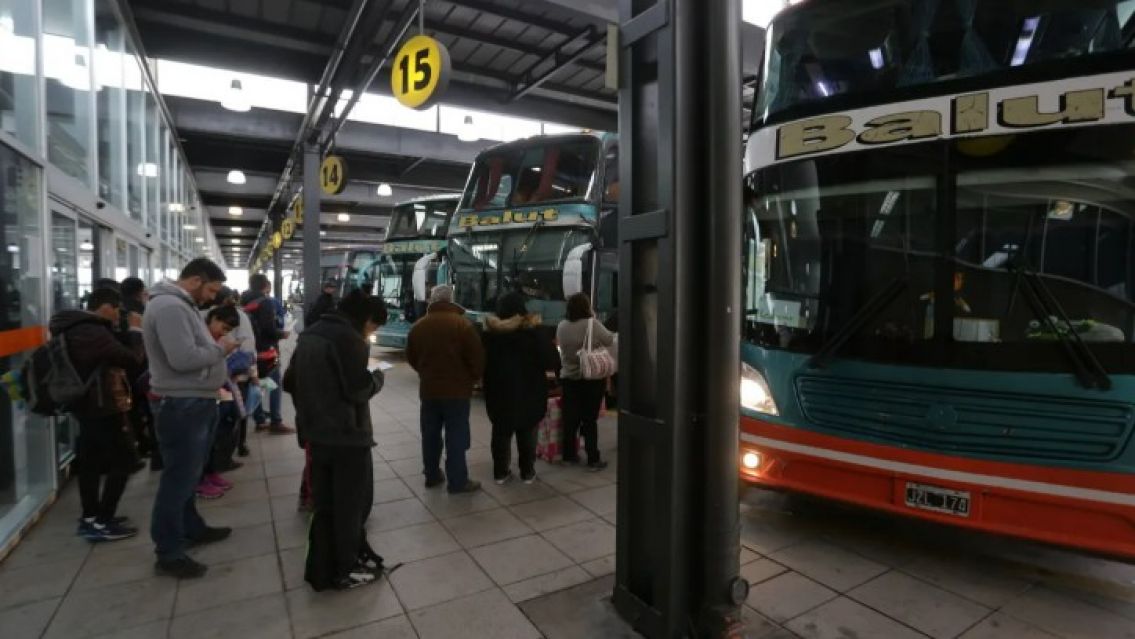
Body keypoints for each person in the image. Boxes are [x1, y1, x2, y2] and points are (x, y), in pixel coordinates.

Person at [285, 290, 388, 590]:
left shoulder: (311, 333)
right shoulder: (349, 339)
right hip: (346, 437)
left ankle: (320, 569)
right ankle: (346, 568)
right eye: (374, 326)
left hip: (316, 432)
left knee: (326, 506)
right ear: (366, 319)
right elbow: (357, 390)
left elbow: (290, 380)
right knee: (349, 507)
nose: (372, 333)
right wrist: (377, 378)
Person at [144, 258, 238, 579]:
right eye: (211, 289)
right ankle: (168, 551)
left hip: (193, 401)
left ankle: (191, 527)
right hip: (181, 404)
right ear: (196, 280)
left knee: (188, 475)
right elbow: (183, 358)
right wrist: (221, 350)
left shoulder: (178, 304)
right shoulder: (171, 307)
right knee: (178, 479)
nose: (212, 298)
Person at [51, 288, 145, 542]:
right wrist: (136, 330)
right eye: (116, 309)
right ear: (104, 306)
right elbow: (133, 360)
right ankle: (102, 522)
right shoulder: (91, 332)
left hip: (87, 405)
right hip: (103, 405)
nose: (117, 315)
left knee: (90, 462)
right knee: (125, 460)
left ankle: (91, 516)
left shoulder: (75, 328)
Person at [406, 285, 484, 494]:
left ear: (432, 300)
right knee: (456, 436)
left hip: (429, 390)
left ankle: (432, 475)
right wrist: (472, 378)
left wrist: (426, 373)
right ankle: (458, 482)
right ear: (451, 300)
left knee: (430, 434)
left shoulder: (418, 326)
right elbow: (476, 358)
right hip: (457, 391)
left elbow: (412, 358)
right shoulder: (463, 325)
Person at [482, 292, 559, 484]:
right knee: (527, 430)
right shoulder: (535, 333)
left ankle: (501, 473)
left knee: (500, 431)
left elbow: (480, 362)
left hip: (498, 391)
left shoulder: (490, 335)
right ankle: (527, 472)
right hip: (530, 390)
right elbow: (551, 361)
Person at [556, 293, 614, 471]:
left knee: (570, 418)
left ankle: (568, 455)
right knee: (589, 419)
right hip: (591, 379)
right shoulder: (592, 324)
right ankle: (593, 459)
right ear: (586, 307)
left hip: (569, 378)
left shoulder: (562, 326)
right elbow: (609, 339)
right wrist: (593, 320)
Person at [195, 305, 247, 500]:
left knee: (212, 438)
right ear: (213, 318)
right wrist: (222, 351)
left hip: (217, 392)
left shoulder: (216, 339)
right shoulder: (199, 338)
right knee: (200, 442)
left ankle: (210, 473)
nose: (224, 333)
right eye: (223, 328)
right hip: (200, 395)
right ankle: (199, 481)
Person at [242, 274, 292, 434]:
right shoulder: (266, 303)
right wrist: (282, 334)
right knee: (274, 385)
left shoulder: (245, 301)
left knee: (256, 384)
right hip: (267, 351)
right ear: (266, 286)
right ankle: (276, 421)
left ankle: (260, 420)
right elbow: (268, 329)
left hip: (251, 351)